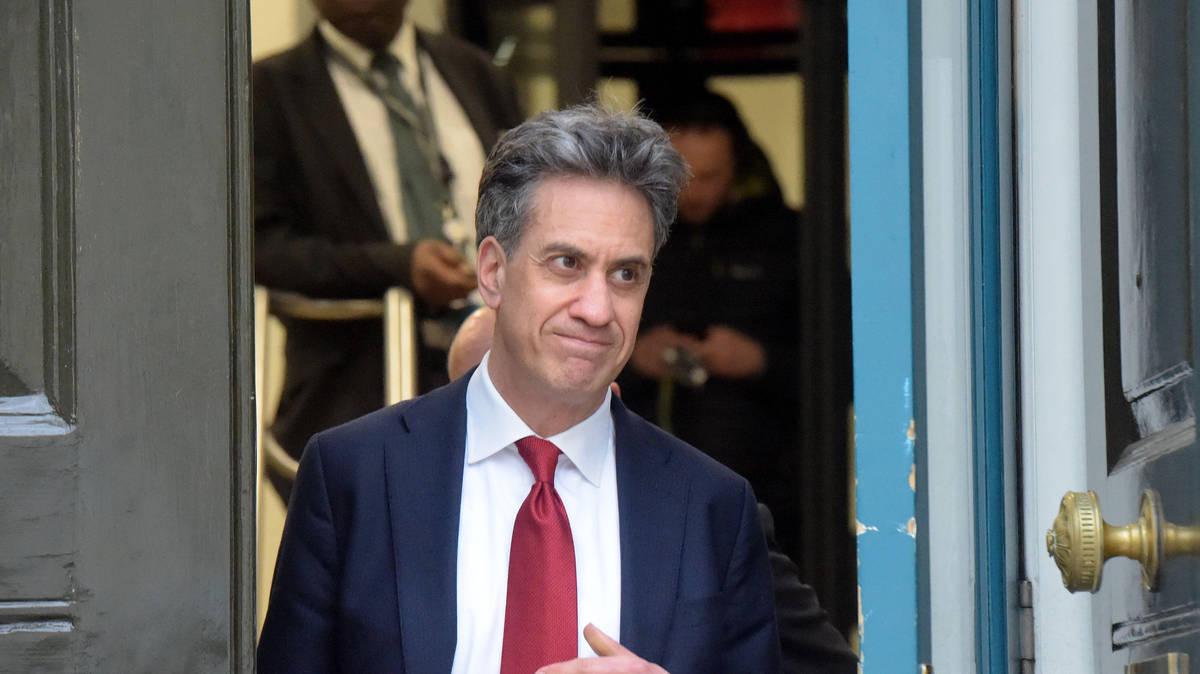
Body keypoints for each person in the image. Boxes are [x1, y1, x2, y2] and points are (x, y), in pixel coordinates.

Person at [257, 105, 782, 672]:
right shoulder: (353, 475)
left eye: (625, 274)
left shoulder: (713, 508)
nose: (597, 308)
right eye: (566, 263)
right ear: (493, 272)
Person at [447, 306, 859, 673]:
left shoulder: (711, 516)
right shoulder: (419, 512)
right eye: (482, 404)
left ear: (608, 395)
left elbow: (829, 667)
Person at [253, 0, 523, 500]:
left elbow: (534, 206)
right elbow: (260, 247)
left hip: (500, 382)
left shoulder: (477, 73)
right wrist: (396, 266)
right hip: (356, 387)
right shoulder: (267, 90)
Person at [620, 89, 803, 561]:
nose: (696, 192)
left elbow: (842, 363)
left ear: (737, 166)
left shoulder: (786, 240)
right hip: (640, 484)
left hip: (769, 487)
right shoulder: (626, 236)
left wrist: (759, 360)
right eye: (682, 177)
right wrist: (633, 358)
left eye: (711, 176)